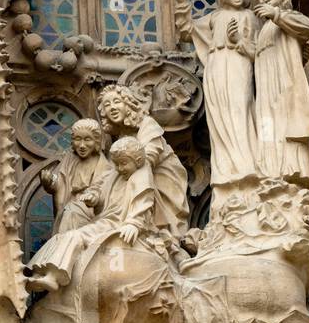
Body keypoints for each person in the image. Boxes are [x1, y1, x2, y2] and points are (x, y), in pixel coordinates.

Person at [184, 0, 261, 188]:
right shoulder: (214, 17)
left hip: (238, 65)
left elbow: (259, 53)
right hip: (215, 69)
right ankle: (227, 168)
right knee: (220, 117)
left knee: (240, 110)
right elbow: (187, 29)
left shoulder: (249, 16)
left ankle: (246, 165)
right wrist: (181, 2)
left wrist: (238, 40)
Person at [97, 83, 189, 243]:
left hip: (162, 180)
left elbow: (147, 159)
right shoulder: (121, 136)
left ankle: (136, 221)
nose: (112, 108)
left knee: (137, 167)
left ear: (128, 104)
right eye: (107, 104)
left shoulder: (147, 124)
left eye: (117, 102)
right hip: (136, 178)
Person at [27, 118, 110, 291]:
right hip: (69, 206)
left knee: (72, 214)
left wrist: (93, 197)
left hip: (89, 213)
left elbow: (104, 193)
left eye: (87, 139)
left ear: (97, 141)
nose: (81, 145)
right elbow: (61, 183)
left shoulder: (105, 166)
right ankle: (45, 269)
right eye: (77, 139)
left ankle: (52, 269)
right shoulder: (69, 159)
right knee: (69, 213)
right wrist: (50, 181)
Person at [254, 0, 309, 187]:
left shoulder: (288, 16)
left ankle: (293, 170)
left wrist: (277, 15)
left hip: (284, 84)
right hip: (265, 90)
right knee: (268, 126)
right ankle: (271, 171)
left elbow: (306, 27)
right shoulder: (263, 30)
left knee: (285, 124)